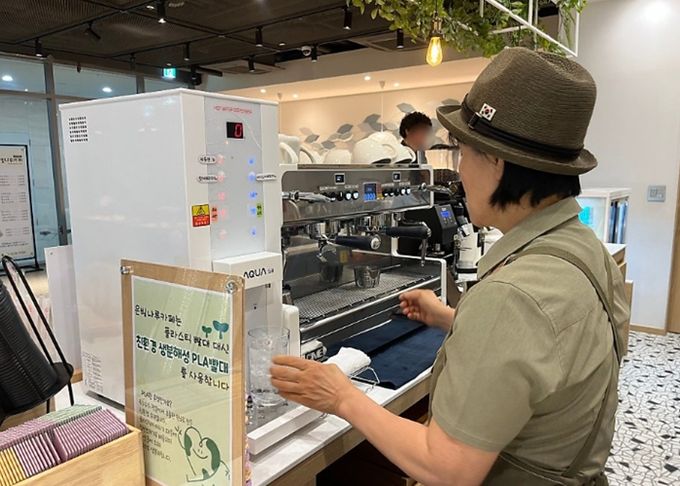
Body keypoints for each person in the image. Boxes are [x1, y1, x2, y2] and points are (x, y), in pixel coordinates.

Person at [271, 47, 629, 485]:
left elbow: (447, 467)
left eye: (462, 151)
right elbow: (550, 352)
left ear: (496, 162)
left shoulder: (512, 296)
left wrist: (341, 395)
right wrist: (453, 318)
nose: (458, 172)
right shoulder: (585, 250)